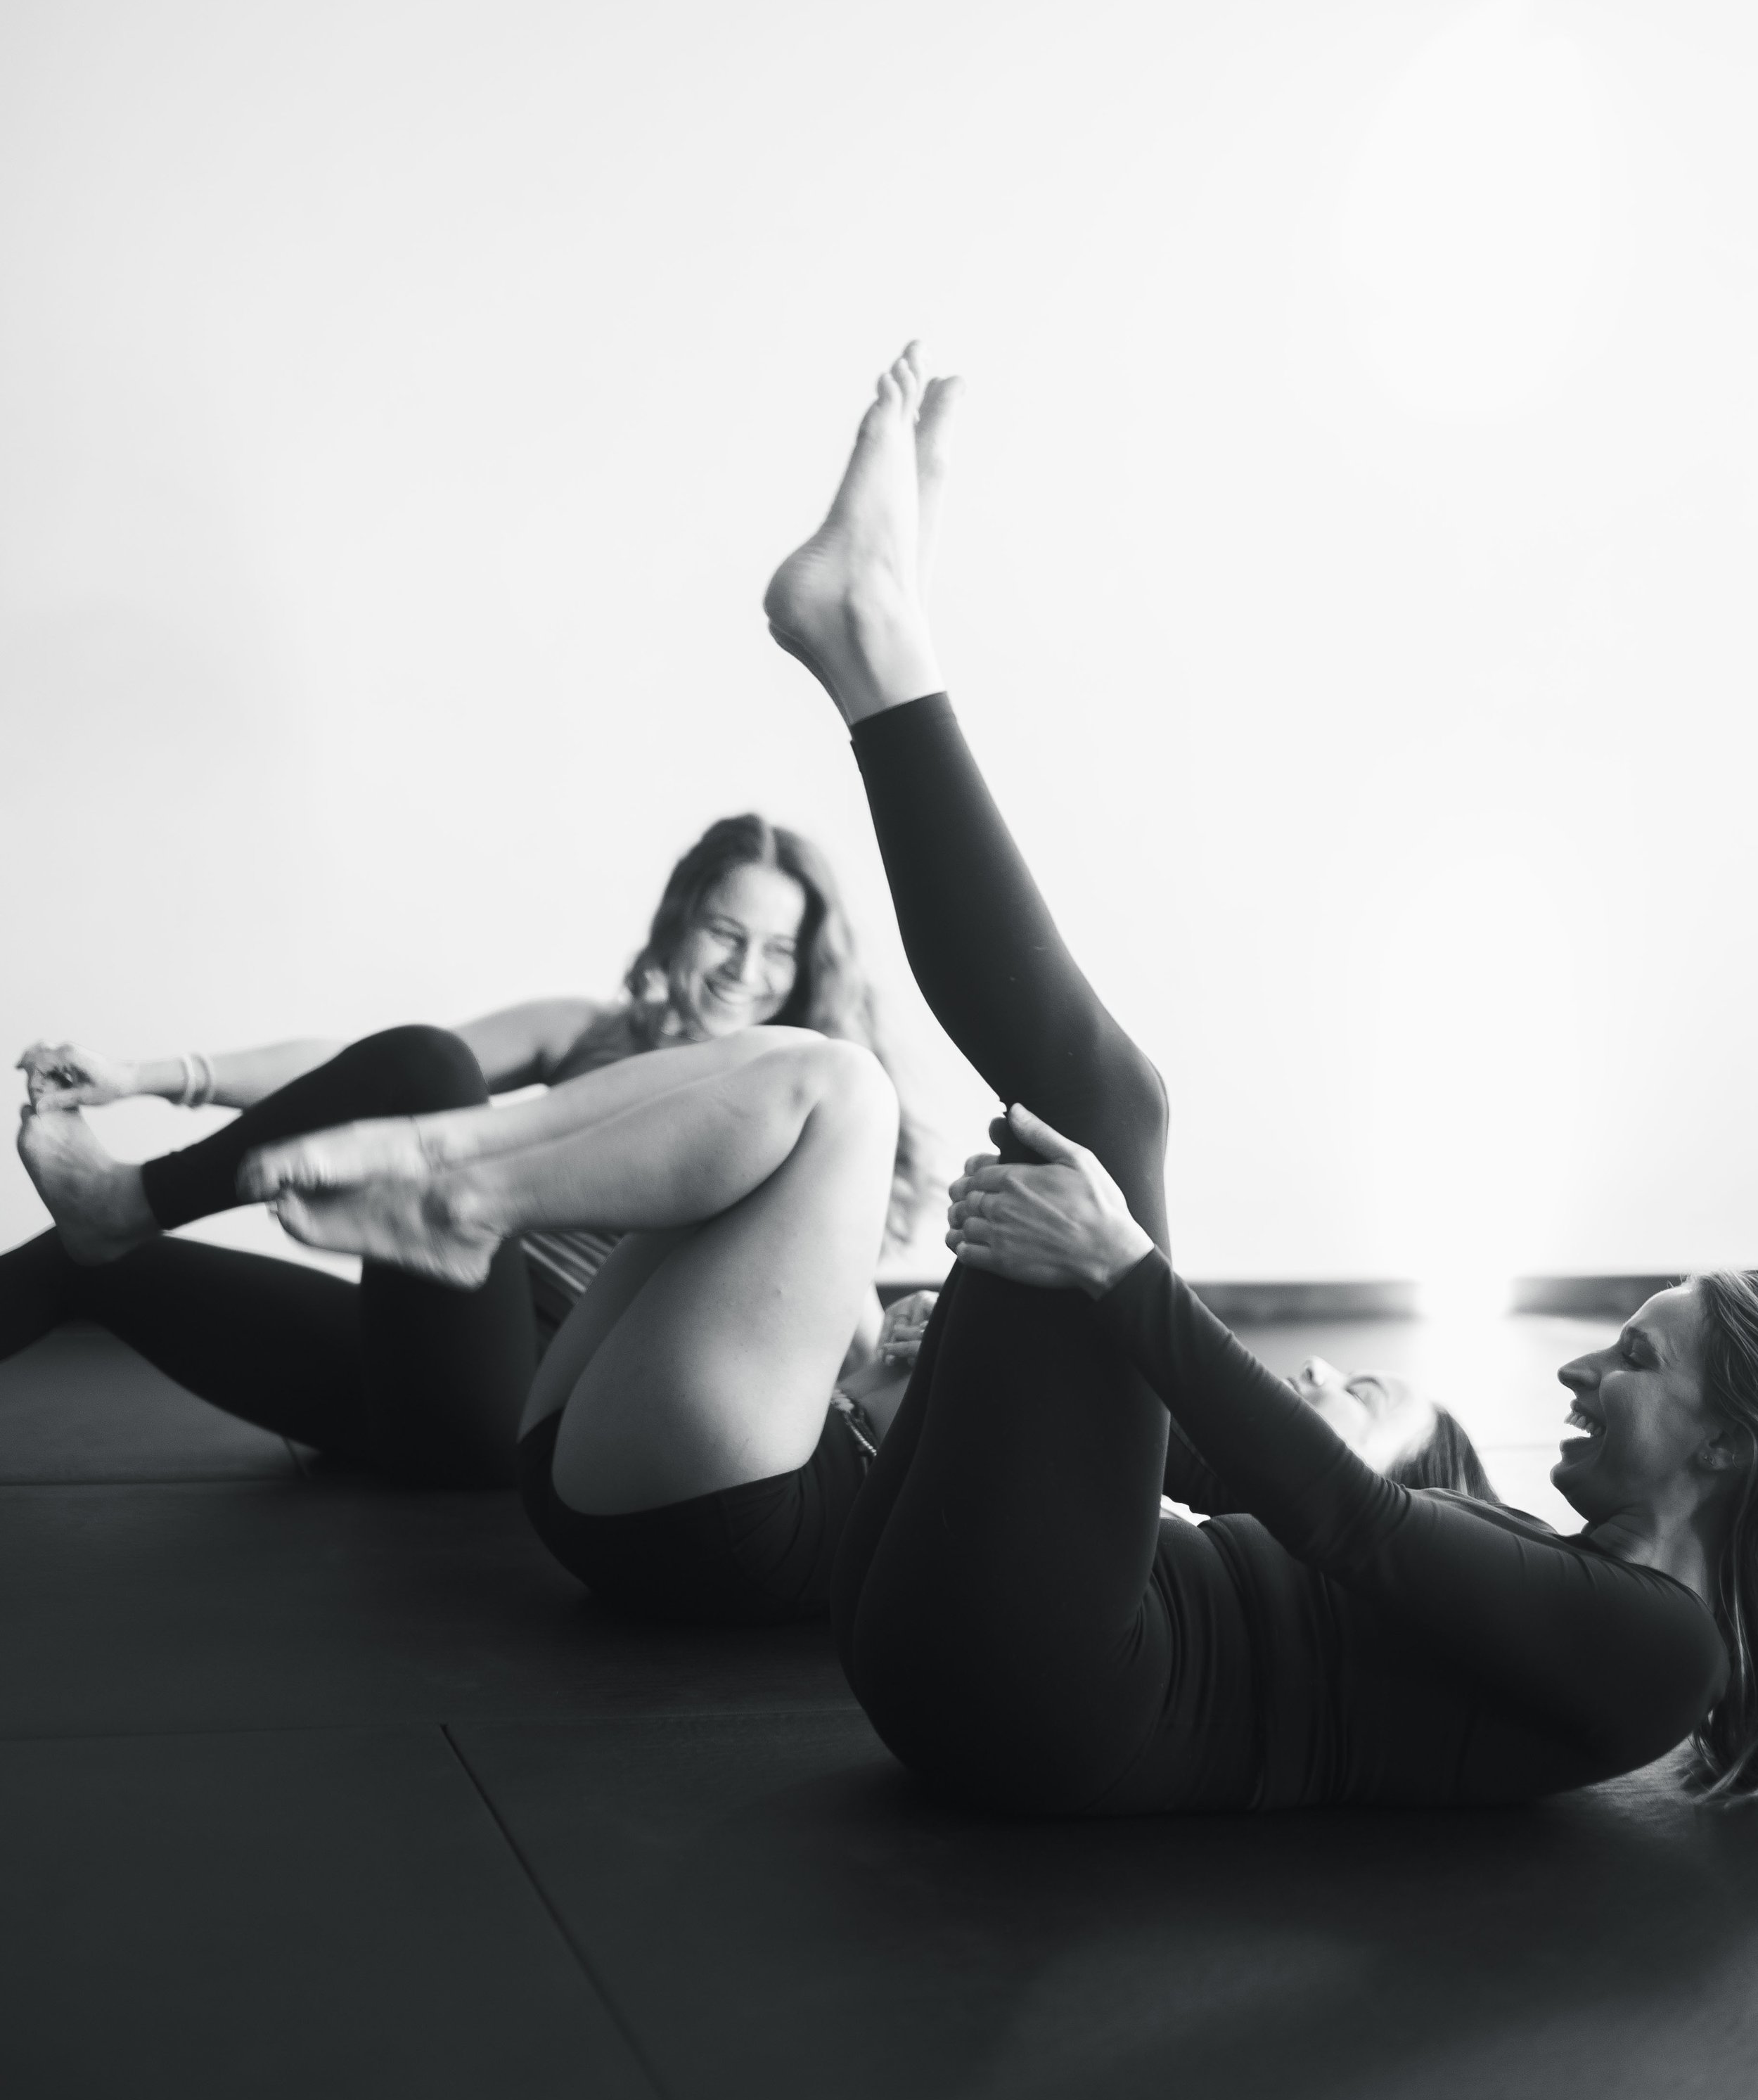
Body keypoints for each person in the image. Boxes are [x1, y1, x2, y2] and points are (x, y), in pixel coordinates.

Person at [761, 344, 1752, 1808]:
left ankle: (875, 638)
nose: (1574, 1365)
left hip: (1044, 1686)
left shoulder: (1662, 1659)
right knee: (1070, 1145)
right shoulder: (1593, 1599)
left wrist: (1117, 1276)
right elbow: (1327, 1511)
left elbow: (1350, 1528)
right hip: (982, 1656)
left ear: (1731, 1450)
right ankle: (879, 621)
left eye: (1634, 1358)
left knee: (1112, 1115)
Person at [12, 819, 920, 1606]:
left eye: (777, 949)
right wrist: (151, 1076)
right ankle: (120, 1211)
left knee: (427, 1082)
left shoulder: (807, 1111)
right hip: (426, 1342)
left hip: (531, 1390)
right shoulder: (586, 1031)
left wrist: (885, 1345)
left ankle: (141, 1200)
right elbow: (357, 1068)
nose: (745, 969)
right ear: (677, 925)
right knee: (88, 1260)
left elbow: (818, 1321)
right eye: (726, 932)